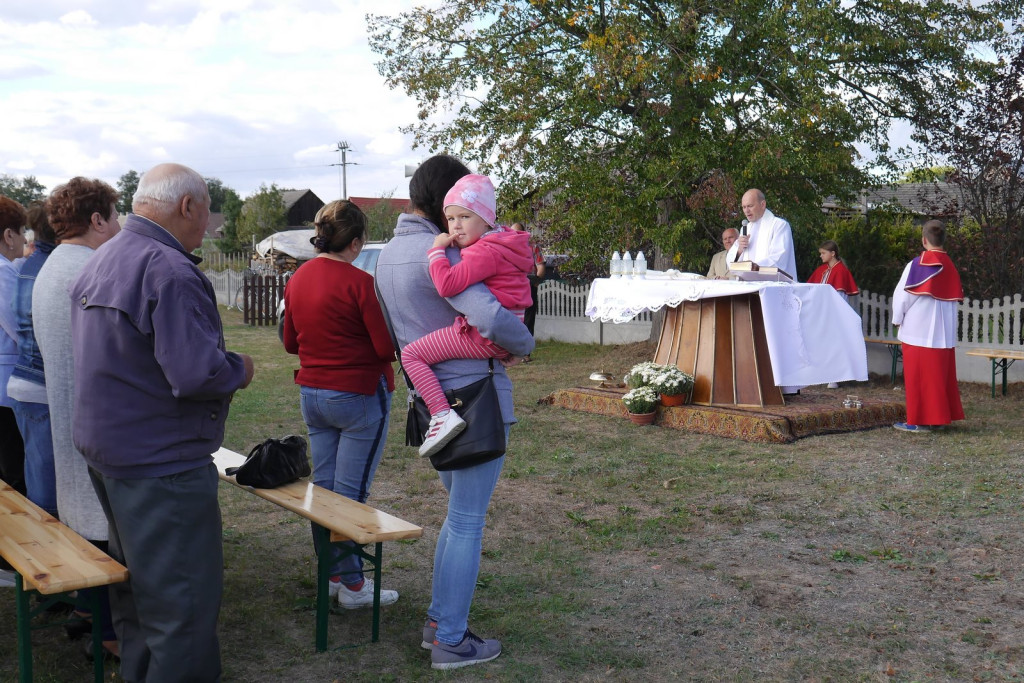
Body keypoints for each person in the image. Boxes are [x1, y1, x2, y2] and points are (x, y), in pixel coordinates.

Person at [69, 163, 254, 682]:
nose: (208, 224)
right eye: (208, 212)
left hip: (112, 456)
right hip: (160, 466)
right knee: (183, 608)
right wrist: (241, 367)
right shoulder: (166, 268)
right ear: (188, 207)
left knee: (137, 597)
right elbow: (197, 373)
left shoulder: (103, 258)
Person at [376, 155, 534, 670]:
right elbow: (488, 314)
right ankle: (450, 638)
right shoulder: (441, 251)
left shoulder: (386, 256)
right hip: (475, 396)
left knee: (456, 518)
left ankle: (439, 622)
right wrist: (524, 343)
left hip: (430, 401)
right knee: (466, 521)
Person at [281, 199, 399, 609]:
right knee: (348, 497)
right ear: (357, 242)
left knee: (325, 491)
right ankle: (353, 586)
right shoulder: (359, 283)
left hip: (312, 393)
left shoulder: (297, 279)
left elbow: (289, 342)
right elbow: (385, 346)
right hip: (358, 395)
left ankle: (332, 573)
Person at [34, 177, 122, 656]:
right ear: (96, 220)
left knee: (80, 513)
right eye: (114, 214)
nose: (118, 223)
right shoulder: (91, 270)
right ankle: (109, 633)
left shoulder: (52, 266)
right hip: (94, 414)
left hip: (66, 407)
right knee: (102, 522)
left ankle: (90, 609)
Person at [402, 174, 533, 458]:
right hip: (502, 333)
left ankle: (441, 415)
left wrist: (437, 251)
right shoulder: (503, 243)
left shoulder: (483, 251)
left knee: (411, 355)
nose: (456, 225)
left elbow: (447, 284)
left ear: (486, 219)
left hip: (481, 335)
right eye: (450, 219)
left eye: (465, 216)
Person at [8, 201, 59, 517]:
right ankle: (45, 561)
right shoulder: (49, 269)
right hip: (40, 386)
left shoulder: (28, 264)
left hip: (24, 383)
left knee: (36, 478)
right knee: (45, 494)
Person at [891, 220, 964, 433]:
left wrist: (897, 319)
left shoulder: (917, 264)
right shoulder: (951, 266)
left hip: (918, 330)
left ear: (924, 240)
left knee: (919, 377)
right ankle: (939, 418)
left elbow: (902, 297)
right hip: (944, 333)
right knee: (939, 378)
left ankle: (919, 421)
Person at [0, 196, 28, 496]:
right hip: (5, 391)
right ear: (9, 235)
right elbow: (19, 328)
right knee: (14, 478)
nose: (24, 239)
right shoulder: (3, 271)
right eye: (22, 231)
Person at [726, 189, 798, 280]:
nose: (746, 211)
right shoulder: (745, 229)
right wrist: (739, 250)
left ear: (763, 204)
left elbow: (779, 259)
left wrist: (754, 267)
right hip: (748, 287)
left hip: (772, 285)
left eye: (750, 206)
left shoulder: (779, 225)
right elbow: (730, 263)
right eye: (744, 207)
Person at [519, 226, 545, 340]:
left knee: (528, 317)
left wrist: (535, 282)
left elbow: (541, 266)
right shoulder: (507, 246)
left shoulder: (533, 246)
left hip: (529, 282)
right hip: (513, 282)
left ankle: (525, 352)